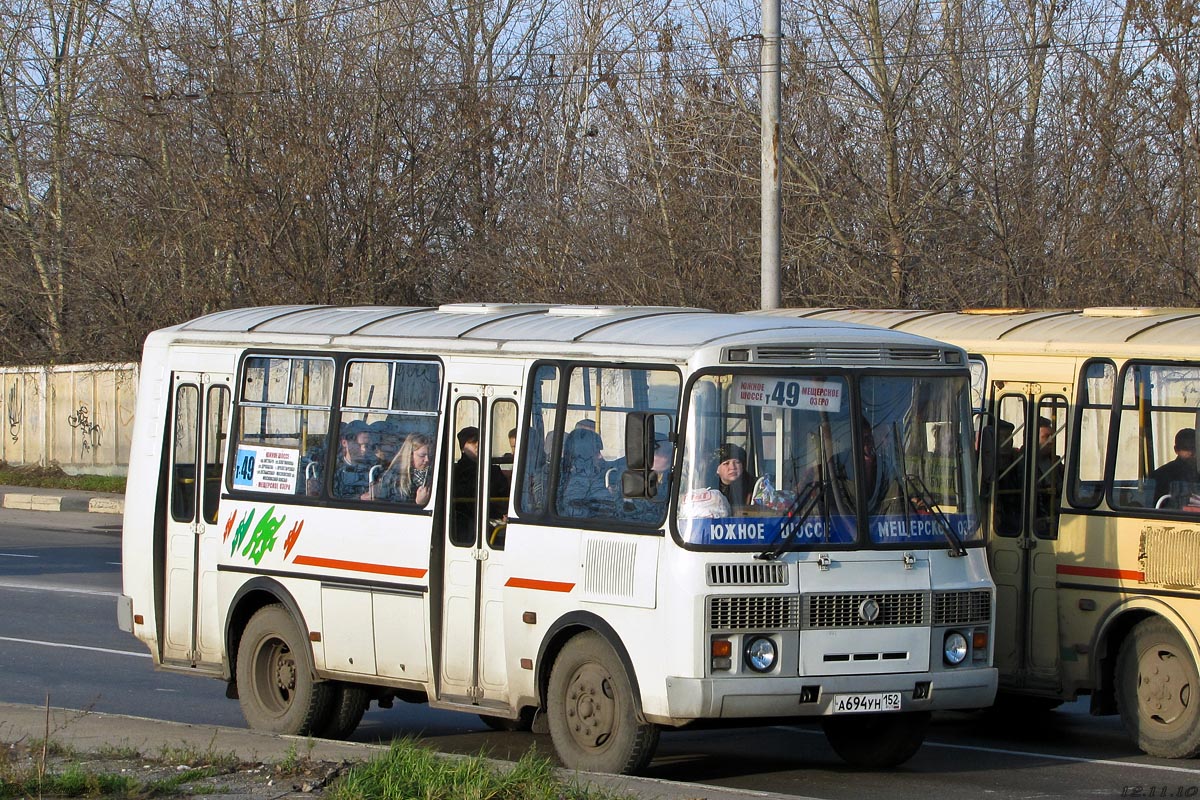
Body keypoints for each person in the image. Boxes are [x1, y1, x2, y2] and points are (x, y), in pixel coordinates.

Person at [557, 427, 615, 517]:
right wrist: (614, 494)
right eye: (597, 452)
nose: (600, 456)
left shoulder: (564, 472)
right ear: (583, 454)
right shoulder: (580, 480)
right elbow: (606, 508)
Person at [375, 432, 433, 504]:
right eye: (422, 455)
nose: (427, 459)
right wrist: (419, 504)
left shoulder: (433, 473)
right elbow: (393, 508)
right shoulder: (395, 477)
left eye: (429, 455)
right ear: (410, 456)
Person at [1148, 428, 1198, 508]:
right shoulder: (1161, 475)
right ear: (1176, 450)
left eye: (1194, 448)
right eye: (1186, 448)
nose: (1191, 453)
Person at [333, 420, 376, 500]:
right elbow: (332, 498)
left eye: (366, 445)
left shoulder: (374, 468)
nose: (364, 450)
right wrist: (359, 498)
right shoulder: (333, 469)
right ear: (344, 443)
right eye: (358, 445)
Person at [714, 443, 756, 514]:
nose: (733, 467)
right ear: (717, 469)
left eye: (737, 462)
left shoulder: (755, 487)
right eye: (726, 463)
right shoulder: (709, 489)